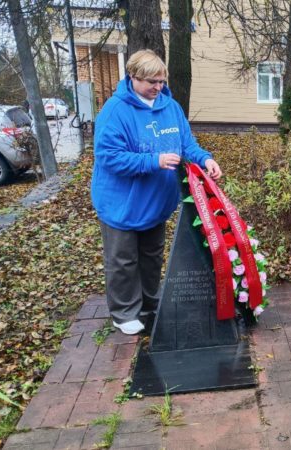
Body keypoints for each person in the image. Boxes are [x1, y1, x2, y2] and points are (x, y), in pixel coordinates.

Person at [91, 49, 223, 335]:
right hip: (122, 204)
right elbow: (108, 156)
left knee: (151, 256)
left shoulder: (169, 107)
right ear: (133, 78)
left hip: (156, 202)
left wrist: (205, 159)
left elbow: (186, 143)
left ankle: (150, 304)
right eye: (151, 81)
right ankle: (124, 313)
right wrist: (154, 161)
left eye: (161, 81)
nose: (158, 87)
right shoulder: (115, 111)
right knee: (123, 260)